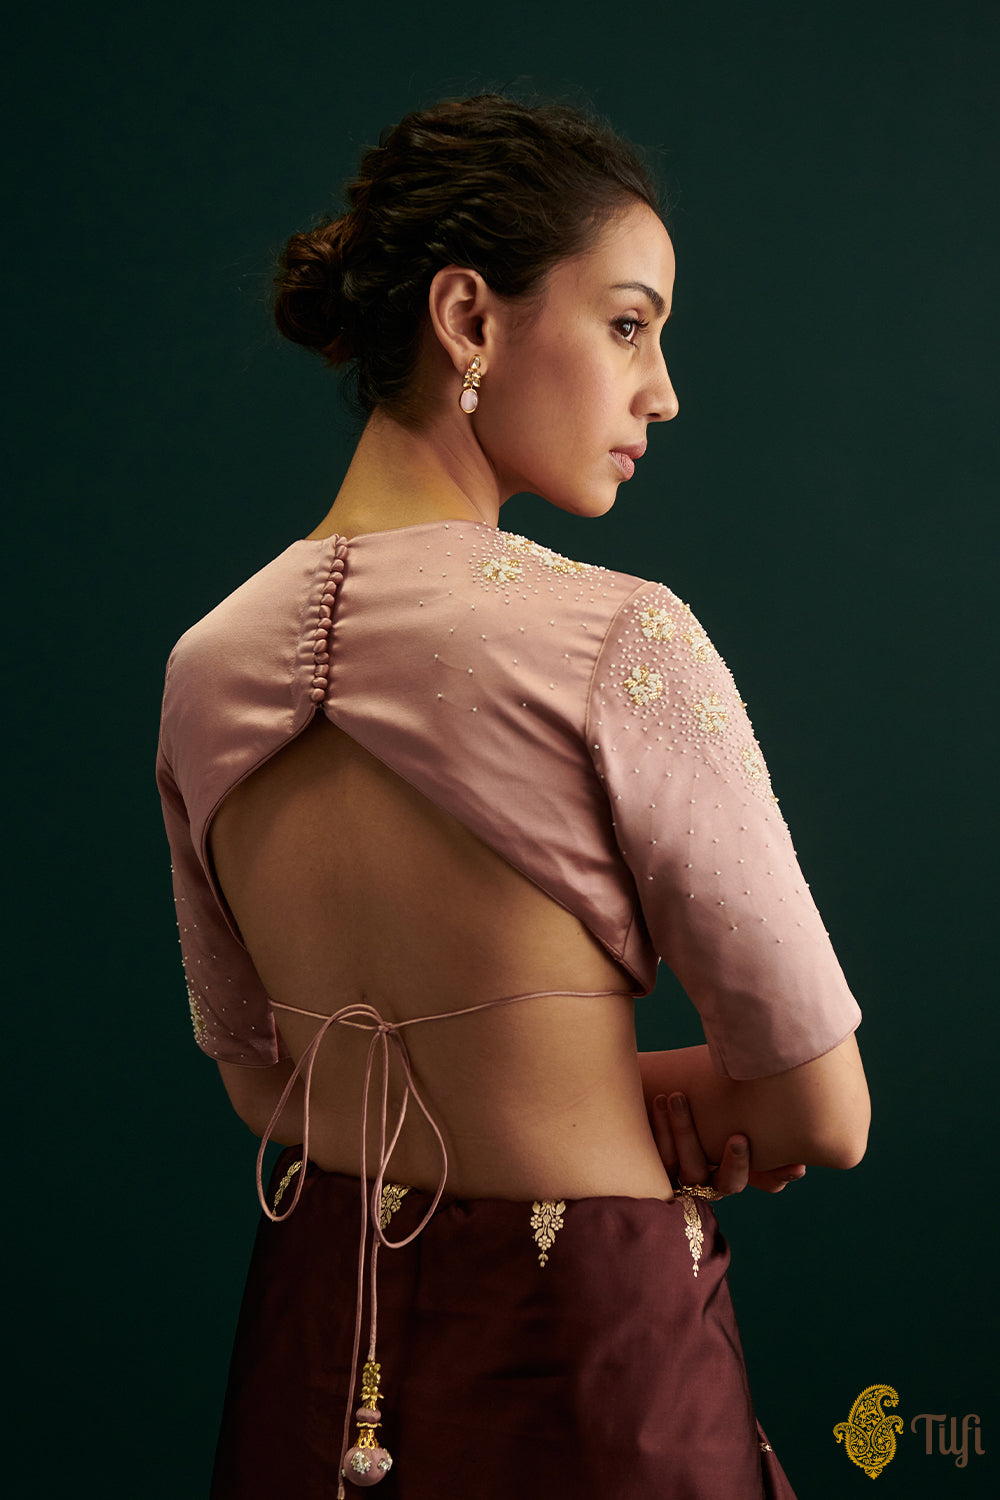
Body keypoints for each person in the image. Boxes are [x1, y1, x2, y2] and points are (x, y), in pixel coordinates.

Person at [156, 95, 869, 1499]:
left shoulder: (205, 664)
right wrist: (619, 1089)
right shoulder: (620, 642)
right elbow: (820, 1113)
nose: (662, 390)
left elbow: (264, 1081)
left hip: (317, 1358)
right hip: (586, 1366)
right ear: (468, 318)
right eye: (628, 325)